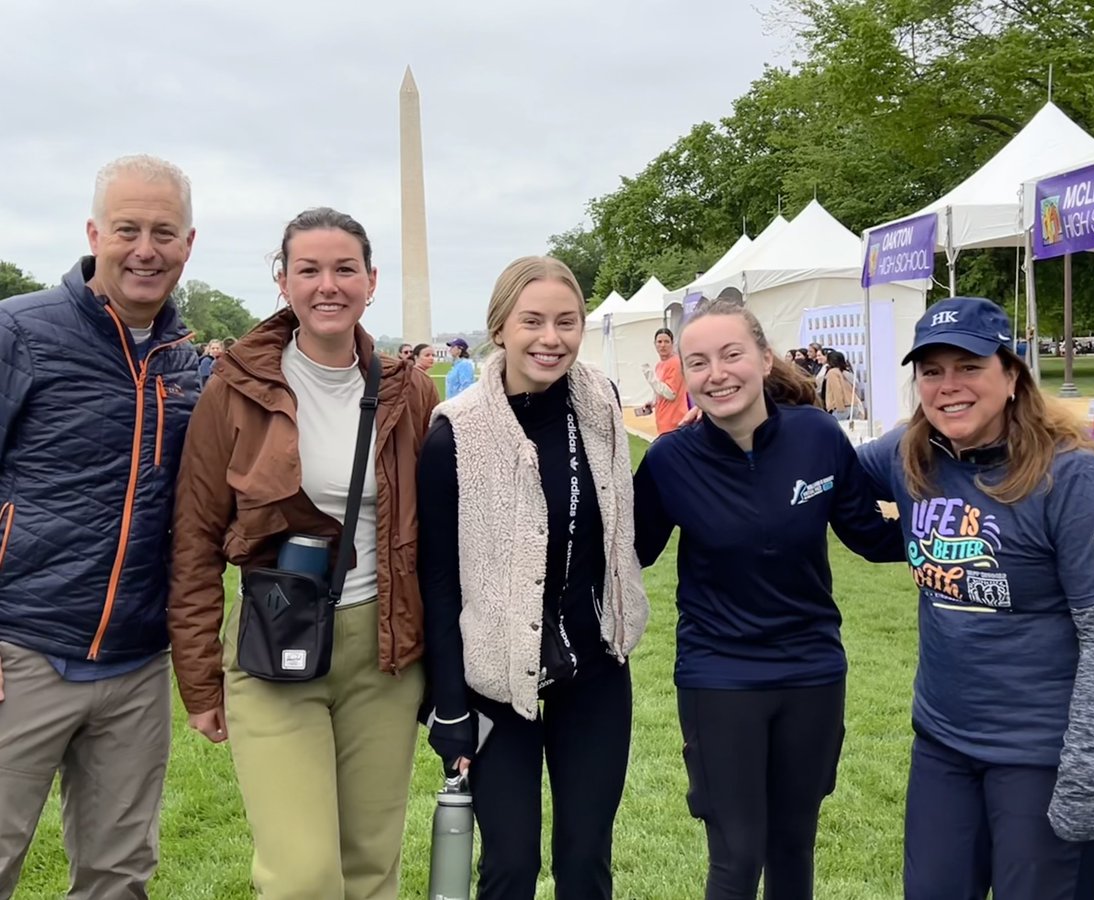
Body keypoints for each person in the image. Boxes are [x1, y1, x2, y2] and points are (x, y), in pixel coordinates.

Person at [169, 208, 439, 900]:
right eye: (309, 270)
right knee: (304, 877)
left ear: (371, 281)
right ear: (282, 281)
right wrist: (201, 681)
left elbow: (439, 534)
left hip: (383, 655)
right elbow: (195, 539)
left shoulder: (408, 391)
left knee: (370, 868)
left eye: (345, 269)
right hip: (274, 645)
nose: (328, 285)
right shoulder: (234, 391)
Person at [856, 297, 1094, 900]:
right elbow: (819, 465)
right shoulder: (909, 452)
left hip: (1048, 752)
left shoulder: (1074, 477)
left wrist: (1084, 774)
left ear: (1011, 375)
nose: (947, 387)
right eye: (931, 371)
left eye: (969, 366)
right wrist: (747, 417)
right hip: (944, 741)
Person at [633, 299, 904, 900]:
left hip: (812, 670)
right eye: (698, 362)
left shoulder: (816, 435)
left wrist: (970, 527)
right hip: (719, 675)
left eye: (732, 354)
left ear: (762, 358)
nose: (717, 373)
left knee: (792, 845)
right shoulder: (670, 461)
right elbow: (626, 554)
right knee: (737, 854)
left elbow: (868, 533)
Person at [417, 255, 649, 900]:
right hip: (495, 675)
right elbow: (437, 582)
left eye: (567, 322)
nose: (552, 337)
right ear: (500, 328)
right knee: (510, 865)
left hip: (595, 666)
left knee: (584, 861)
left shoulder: (599, 402)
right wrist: (449, 705)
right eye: (533, 321)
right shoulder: (455, 437)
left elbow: (620, 522)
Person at [0, 155, 199, 898]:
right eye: (127, 229)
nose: (145, 248)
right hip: (21, 649)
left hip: (136, 666)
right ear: (94, 233)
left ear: (188, 243)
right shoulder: (19, 331)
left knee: (119, 878)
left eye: (163, 232)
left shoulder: (189, 364)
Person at [636, 326, 689, 436]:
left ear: (672, 343)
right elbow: (660, 391)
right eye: (659, 342)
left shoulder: (676, 363)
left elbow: (670, 393)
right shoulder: (659, 365)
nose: (662, 345)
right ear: (654, 344)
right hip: (663, 420)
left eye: (666, 342)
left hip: (675, 421)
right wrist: (653, 402)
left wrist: (649, 376)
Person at [823, 349, 855, 420]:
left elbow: (837, 390)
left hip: (842, 407)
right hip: (852, 405)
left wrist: (840, 408)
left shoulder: (832, 372)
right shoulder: (845, 372)